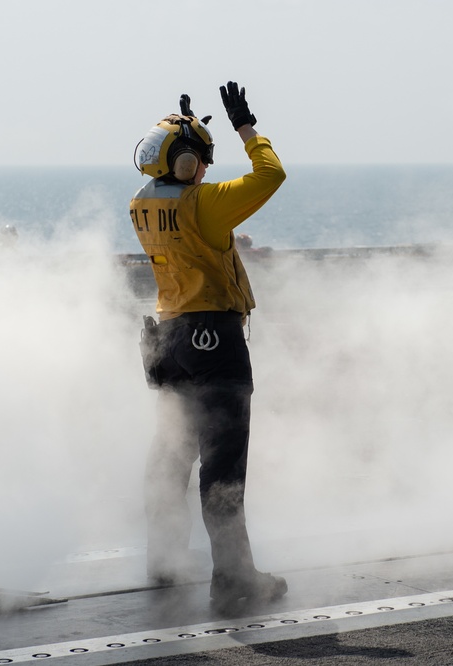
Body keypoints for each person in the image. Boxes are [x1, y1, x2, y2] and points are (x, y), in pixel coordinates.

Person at [130, 81, 287, 613]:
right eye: (201, 159)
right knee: (222, 466)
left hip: (167, 340)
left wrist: (224, 241)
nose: (205, 169)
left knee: (171, 453)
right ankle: (236, 581)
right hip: (212, 342)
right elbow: (272, 175)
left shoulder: (141, 205)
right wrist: (247, 130)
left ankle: (165, 564)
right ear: (185, 162)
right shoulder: (207, 202)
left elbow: (188, 244)